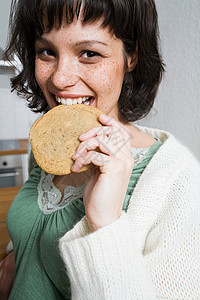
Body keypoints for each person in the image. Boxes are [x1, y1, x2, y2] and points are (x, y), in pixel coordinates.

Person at [0, 0, 200, 299]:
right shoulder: (48, 147)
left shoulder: (176, 177)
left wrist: (104, 223)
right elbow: (35, 229)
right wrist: (15, 258)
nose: (59, 78)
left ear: (130, 56)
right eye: (47, 52)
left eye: (89, 53)